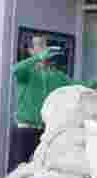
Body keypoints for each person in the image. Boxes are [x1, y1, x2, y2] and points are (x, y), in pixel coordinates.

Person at [9, 35, 71, 171]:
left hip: (46, 132)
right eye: (39, 45)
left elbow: (76, 87)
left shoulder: (56, 75)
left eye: (45, 45)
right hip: (24, 130)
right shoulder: (27, 71)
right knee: (18, 172)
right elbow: (16, 70)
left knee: (41, 172)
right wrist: (37, 58)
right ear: (31, 51)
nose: (44, 48)